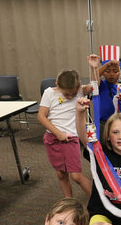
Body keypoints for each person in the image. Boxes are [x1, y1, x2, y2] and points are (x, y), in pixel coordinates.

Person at [37, 69, 92, 198]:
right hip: (53, 138)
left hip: (71, 138)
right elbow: (41, 116)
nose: (70, 97)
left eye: (73, 94)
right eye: (66, 94)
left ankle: (99, 204)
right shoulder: (49, 93)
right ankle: (69, 203)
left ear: (78, 86)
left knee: (76, 176)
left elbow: (95, 84)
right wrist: (57, 133)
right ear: (57, 84)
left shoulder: (80, 91)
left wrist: (95, 67)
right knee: (61, 174)